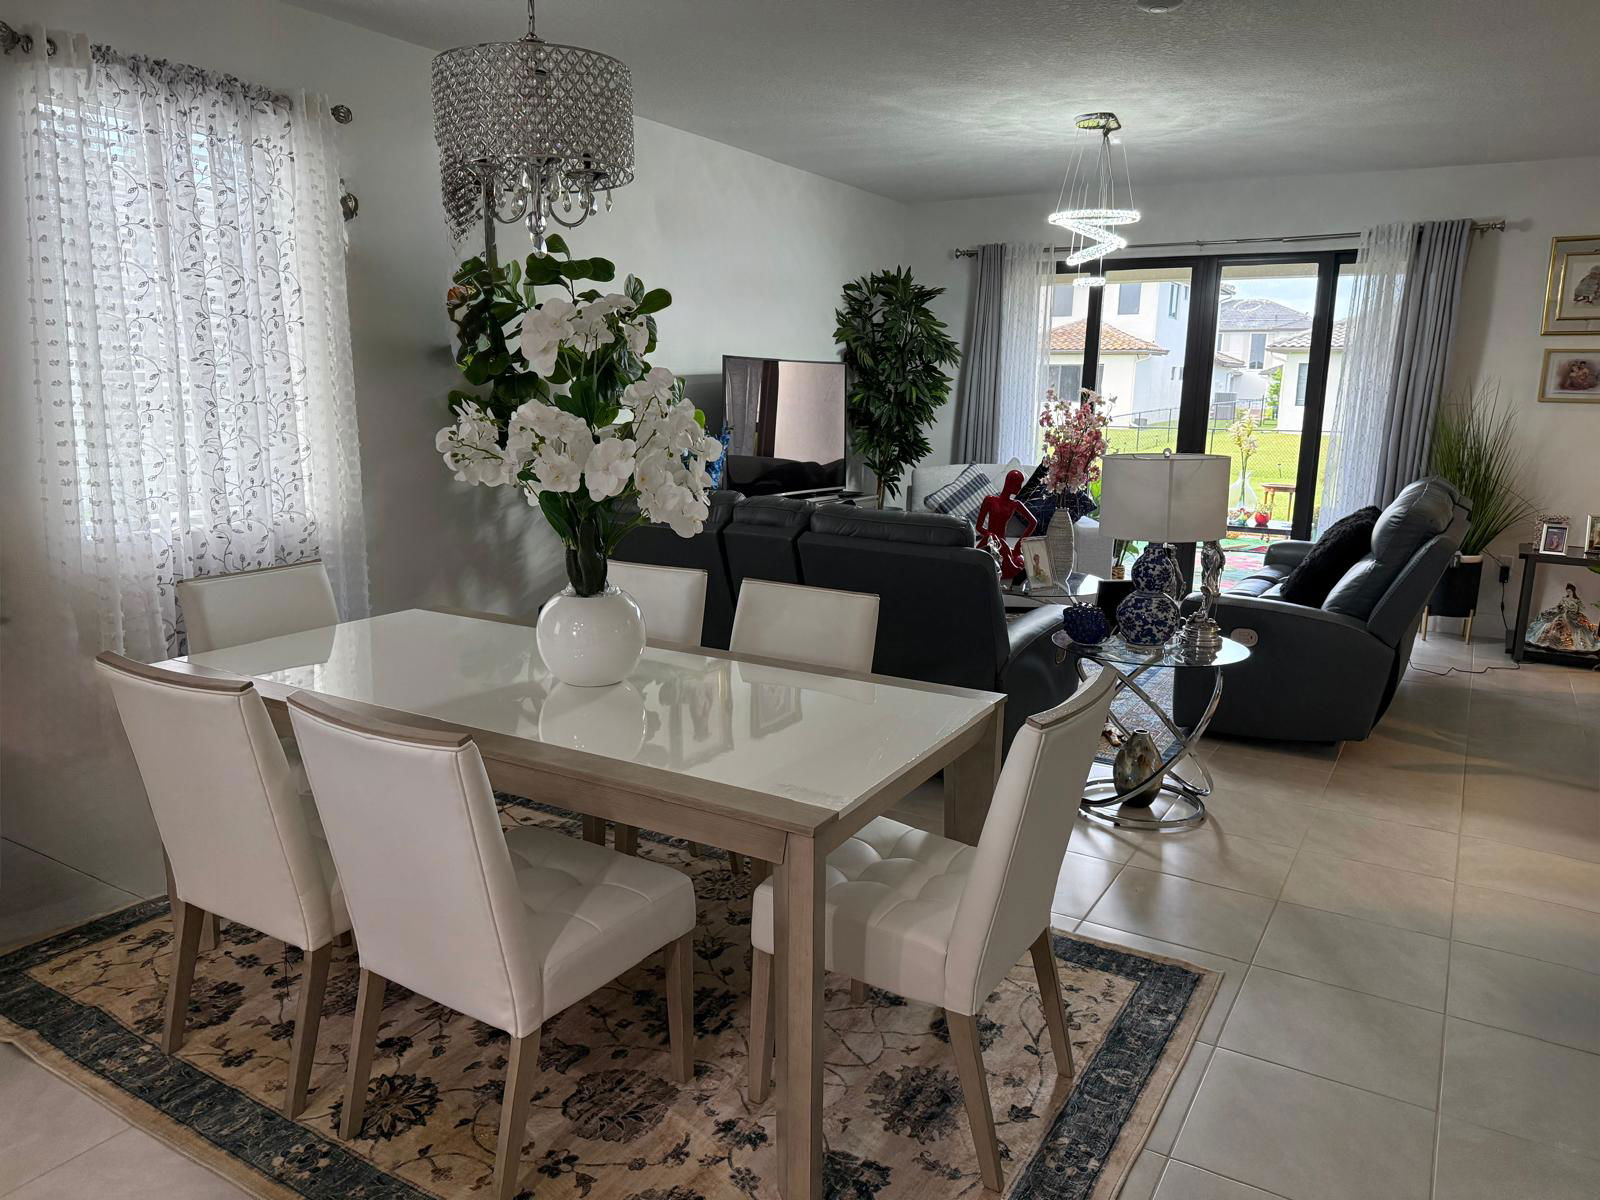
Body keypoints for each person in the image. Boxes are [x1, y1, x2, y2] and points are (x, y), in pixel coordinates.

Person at [1525, 583, 1600, 653]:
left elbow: (1582, 608)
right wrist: (1559, 608)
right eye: (1567, 591)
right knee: (1550, 621)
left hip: (1572, 615)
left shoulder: (1577, 600)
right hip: (1562, 613)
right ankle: (1550, 640)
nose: (1568, 593)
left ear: (1573, 591)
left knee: (1577, 626)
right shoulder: (1564, 598)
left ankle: (1572, 643)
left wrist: (1574, 610)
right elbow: (1559, 605)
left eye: (1570, 591)